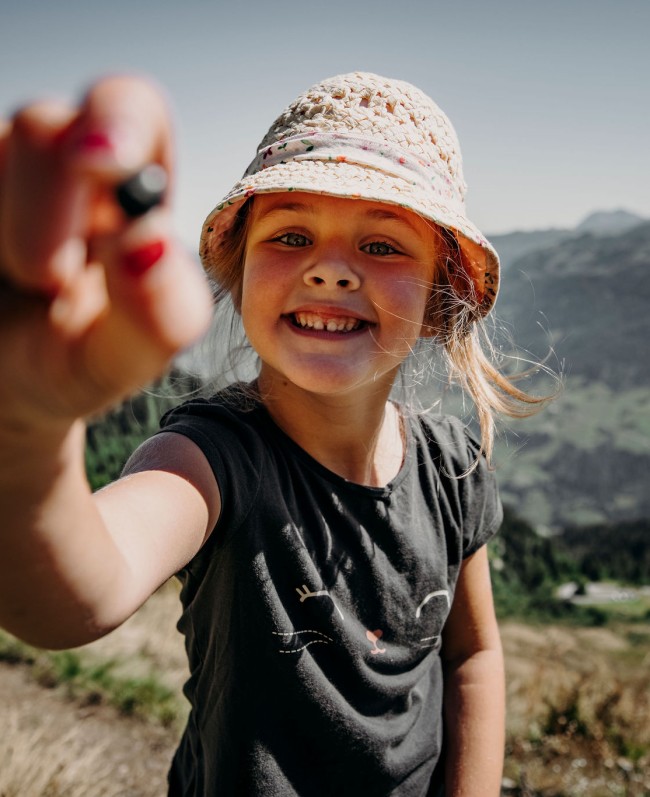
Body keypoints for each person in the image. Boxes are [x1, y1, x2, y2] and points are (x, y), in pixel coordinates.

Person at [0, 71, 547, 796]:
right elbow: (73, 596)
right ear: (239, 266)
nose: (329, 270)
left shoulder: (453, 464)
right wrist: (26, 424)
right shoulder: (212, 459)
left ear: (442, 296)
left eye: (383, 246)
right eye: (291, 235)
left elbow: (472, 653)